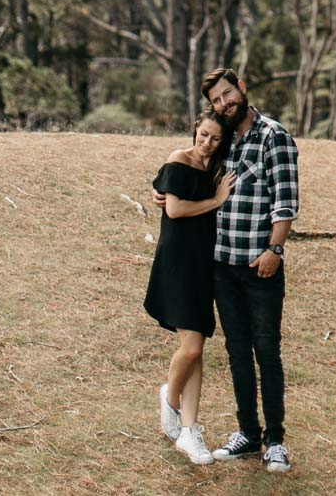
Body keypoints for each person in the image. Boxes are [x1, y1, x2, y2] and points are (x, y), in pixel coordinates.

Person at [201, 67, 300, 474]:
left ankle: (275, 441)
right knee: (236, 351)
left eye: (227, 94)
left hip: (259, 267)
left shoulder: (273, 135)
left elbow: (286, 198)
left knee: (266, 352)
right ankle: (247, 433)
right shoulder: (225, 140)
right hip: (221, 265)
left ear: (242, 88)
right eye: (216, 101)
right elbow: (196, 167)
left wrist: (274, 248)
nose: (223, 104)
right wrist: (163, 189)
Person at [144, 108, 235, 466]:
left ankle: (189, 429)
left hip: (203, 261)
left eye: (215, 138)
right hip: (178, 259)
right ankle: (171, 397)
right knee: (193, 344)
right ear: (195, 129)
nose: (207, 143)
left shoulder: (213, 168)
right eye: (203, 134)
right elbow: (176, 210)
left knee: (195, 346)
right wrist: (215, 201)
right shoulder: (179, 159)